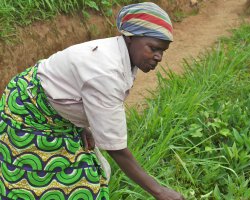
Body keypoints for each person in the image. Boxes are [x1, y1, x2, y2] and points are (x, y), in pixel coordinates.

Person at [0, 2, 185, 200]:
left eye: (163, 51)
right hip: (28, 109)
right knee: (39, 179)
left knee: (78, 175)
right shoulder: (105, 72)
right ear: (130, 37)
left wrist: (82, 124)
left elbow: (77, 91)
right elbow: (116, 149)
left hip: (51, 108)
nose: (159, 57)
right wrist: (160, 192)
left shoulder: (122, 56)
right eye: (154, 48)